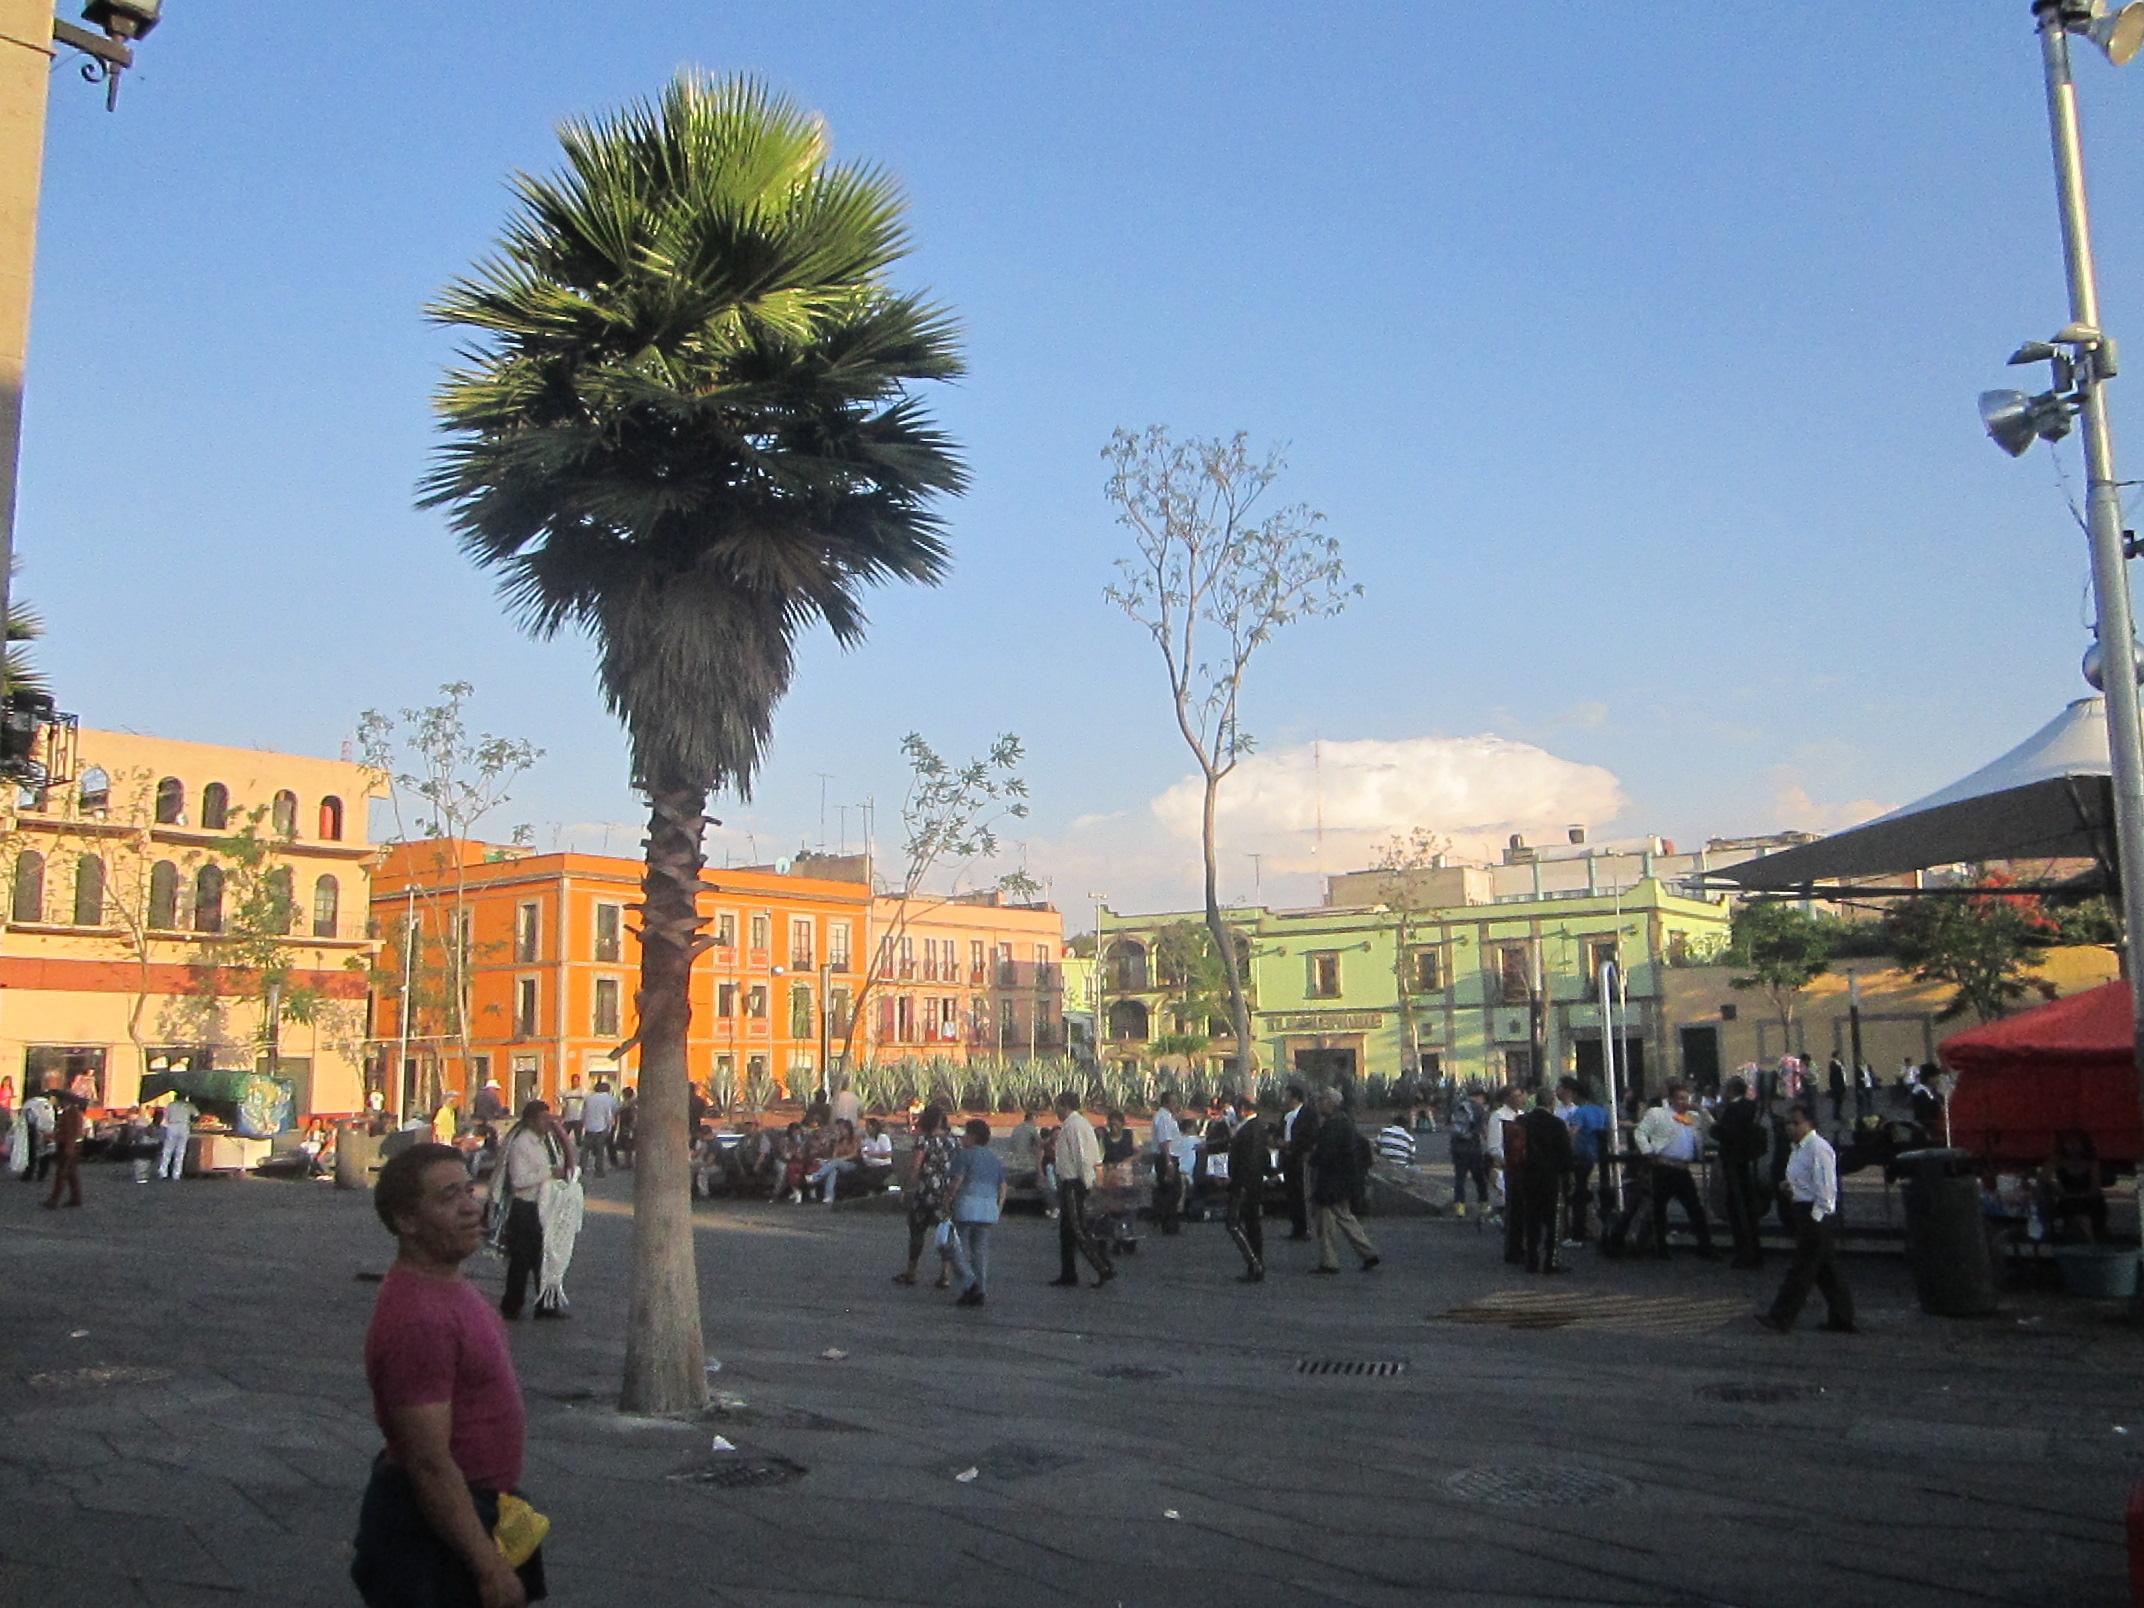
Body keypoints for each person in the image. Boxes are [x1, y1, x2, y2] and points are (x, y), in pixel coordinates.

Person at [351, 1142, 547, 1608]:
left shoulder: (448, 1285)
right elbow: (428, 1462)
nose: (469, 1208)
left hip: (477, 1507)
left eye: (468, 1190)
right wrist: (488, 1566)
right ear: (407, 1221)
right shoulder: (418, 1317)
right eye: (446, 1198)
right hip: (434, 1531)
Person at [1758, 1105, 1856, 1336]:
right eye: (1788, 1124)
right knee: (1826, 1270)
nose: (1790, 1128)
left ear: (1809, 1123)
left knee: (1802, 1268)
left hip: (1814, 1214)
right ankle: (1843, 1317)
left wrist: (1816, 1216)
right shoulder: (1798, 1149)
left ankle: (1781, 1315)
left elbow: (1827, 1188)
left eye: (1796, 1123)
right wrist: (1790, 1187)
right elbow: (1804, 1179)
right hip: (1802, 1209)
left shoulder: (1818, 1148)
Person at [489, 1101, 572, 1321]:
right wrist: (549, 1173)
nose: (548, 1123)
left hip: (540, 1206)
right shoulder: (521, 1144)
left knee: (541, 1257)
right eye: (544, 1119)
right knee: (521, 1259)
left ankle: (545, 1304)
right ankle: (512, 1304)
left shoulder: (541, 1142)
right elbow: (518, 1180)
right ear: (531, 1120)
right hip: (524, 1207)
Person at [1633, 1083, 1715, 1259]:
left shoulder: (1693, 1117)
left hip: (1683, 1169)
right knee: (1659, 1209)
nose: (1683, 1102)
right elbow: (1640, 1132)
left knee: (1695, 1209)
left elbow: (1712, 1128)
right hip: (1663, 1167)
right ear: (1670, 1100)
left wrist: (1702, 1110)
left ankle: (1705, 1246)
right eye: (1679, 1098)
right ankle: (1660, 1248)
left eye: (1686, 1098)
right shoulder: (1658, 1114)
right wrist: (1648, 1152)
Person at [1307, 1088, 1380, 1274]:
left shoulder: (1334, 1125)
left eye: (1321, 1100)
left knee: (1327, 1222)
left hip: (1331, 1180)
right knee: (1344, 1217)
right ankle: (1366, 1252)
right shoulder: (1344, 1122)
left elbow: (1325, 1153)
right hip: (1342, 1180)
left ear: (1330, 1103)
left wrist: (1313, 1158)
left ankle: (1330, 1261)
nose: (1318, 1104)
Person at [1048, 1090, 1114, 1288]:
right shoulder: (1074, 1124)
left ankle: (1103, 1267)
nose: (1056, 1110)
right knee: (1066, 1231)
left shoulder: (1074, 1125)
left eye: (1058, 1105)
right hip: (1071, 1181)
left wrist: (1087, 1183)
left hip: (1074, 1183)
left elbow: (1082, 1156)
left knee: (1078, 1229)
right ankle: (1068, 1273)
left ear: (1065, 1105)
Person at [894, 1106, 960, 1290]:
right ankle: (945, 1273)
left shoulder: (924, 1140)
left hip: (925, 1192)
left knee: (917, 1231)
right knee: (946, 1232)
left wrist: (907, 1188)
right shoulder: (953, 1141)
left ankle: (911, 1271)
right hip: (946, 1193)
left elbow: (916, 1166)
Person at [945, 1118, 1007, 1307]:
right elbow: (1003, 1186)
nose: (963, 1138)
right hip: (988, 1209)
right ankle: (981, 1288)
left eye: (965, 1134)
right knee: (979, 1251)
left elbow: (957, 1181)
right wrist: (998, 1206)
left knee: (955, 1247)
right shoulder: (994, 1159)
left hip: (967, 1205)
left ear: (972, 1136)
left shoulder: (965, 1156)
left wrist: (947, 1199)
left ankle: (969, 1283)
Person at [1711, 1075, 1770, 1270]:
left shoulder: (1736, 1110)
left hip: (1735, 1162)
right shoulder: (1750, 1107)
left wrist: (1713, 1128)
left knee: (1738, 1209)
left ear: (1731, 1091)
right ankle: (1753, 1252)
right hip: (1745, 1162)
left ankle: (1746, 1253)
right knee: (1744, 1207)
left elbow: (1727, 1134)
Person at [1514, 1090, 1572, 1273]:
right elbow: (1565, 1153)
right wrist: (1566, 1173)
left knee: (1531, 1217)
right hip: (1550, 1176)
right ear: (1551, 1103)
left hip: (1527, 1174)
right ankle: (1550, 1260)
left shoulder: (1523, 1122)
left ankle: (1531, 1259)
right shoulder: (1557, 1124)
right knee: (1552, 1220)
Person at [1218, 1089, 1272, 1282]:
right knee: (1251, 1223)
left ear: (1242, 1109)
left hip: (1244, 1182)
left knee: (1234, 1222)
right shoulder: (1256, 1128)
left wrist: (1239, 1181)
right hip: (1251, 1181)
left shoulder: (1250, 1129)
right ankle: (1255, 1262)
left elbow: (1250, 1158)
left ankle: (1254, 1261)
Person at [1557, 1078, 1609, 1245]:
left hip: (1581, 1157)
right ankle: (1595, 1228)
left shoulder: (1579, 1113)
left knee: (1577, 1195)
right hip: (1598, 1156)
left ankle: (1578, 1231)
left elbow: (1572, 1134)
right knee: (1590, 1193)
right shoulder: (1600, 1111)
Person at [2041, 1129, 2110, 1242]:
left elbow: (2095, 1187)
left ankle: (2095, 1238)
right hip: (2066, 1199)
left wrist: (2083, 1195)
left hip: (2089, 1199)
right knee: (2061, 1207)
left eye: (2076, 1142)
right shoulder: (2058, 1162)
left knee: (2095, 1206)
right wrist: (2058, 1189)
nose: (2072, 1146)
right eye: (2068, 1142)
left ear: (2083, 1144)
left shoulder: (2092, 1163)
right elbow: (2045, 1178)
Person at [1484, 1085, 1527, 1263]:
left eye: (1521, 1095)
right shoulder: (1498, 1117)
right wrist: (1508, 1160)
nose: (1520, 1098)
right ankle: (1513, 1248)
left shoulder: (1524, 1116)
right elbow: (1494, 1146)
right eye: (1516, 1095)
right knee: (1512, 1208)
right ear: (1507, 1098)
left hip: (1523, 1167)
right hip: (1508, 1167)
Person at [1448, 1089, 1490, 1219]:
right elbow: (1483, 1128)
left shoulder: (1456, 1105)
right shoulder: (1478, 1108)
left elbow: (1450, 1125)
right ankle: (1484, 1204)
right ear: (1480, 1097)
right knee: (1479, 1178)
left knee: (1459, 1178)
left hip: (1457, 1148)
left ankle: (1459, 1207)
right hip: (1473, 1149)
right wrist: (1489, 1142)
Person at [1148, 1091, 1186, 1235]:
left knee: (1169, 1190)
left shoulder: (1167, 1117)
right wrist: (1168, 1162)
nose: (1176, 1105)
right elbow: (1165, 1140)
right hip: (1166, 1158)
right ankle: (1168, 1223)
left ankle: (1166, 1220)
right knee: (1173, 1191)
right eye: (1173, 1102)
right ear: (1166, 1102)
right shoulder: (1163, 1117)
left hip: (1169, 1157)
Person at [42, 1090, 86, 1209]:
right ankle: (76, 1198)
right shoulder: (67, 1112)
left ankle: (54, 1200)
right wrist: (53, 1136)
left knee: (62, 1173)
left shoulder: (73, 1113)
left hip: (69, 1146)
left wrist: (68, 1148)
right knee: (71, 1173)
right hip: (67, 1144)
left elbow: (73, 1133)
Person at [808, 1119, 862, 1206]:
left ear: (848, 1129)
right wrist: (831, 1160)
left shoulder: (855, 1139)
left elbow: (854, 1154)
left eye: (843, 1129)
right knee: (833, 1170)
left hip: (851, 1164)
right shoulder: (839, 1141)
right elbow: (834, 1155)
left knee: (836, 1163)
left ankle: (815, 1177)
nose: (841, 1131)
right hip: (837, 1163)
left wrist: (841, 1159)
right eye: (840, 1129)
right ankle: (829, 1196)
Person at [578, 1080, 618, 1179]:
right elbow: (613, 1112)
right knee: (600, 1151)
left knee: (585, 1150)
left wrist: (583, 1124)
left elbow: (583, 1112)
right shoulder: (610, 1099)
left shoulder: (589, 1098)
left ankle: (582, 1168)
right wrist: (611, 1126)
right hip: (601, 1127)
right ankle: (599, 1171)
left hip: (589, 1127)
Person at [17, 1084, 54, 1182]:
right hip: (47, 1130)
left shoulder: (31, 1103)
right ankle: (42, 1174)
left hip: (34, 1130)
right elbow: (50, 1118)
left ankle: (29, 1174)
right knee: (45, 1153)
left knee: (31, 1153)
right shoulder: (48, 1105)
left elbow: (26, 1117)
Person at [1826, 1055, 1848, 1126]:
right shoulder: (1834, 1064)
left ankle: (1837, 1114)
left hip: (1840, 1085)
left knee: (1839, 1101)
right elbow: (1833, 1077)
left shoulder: (1839, 1064)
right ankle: (1836, 1115)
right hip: (1837, 1086)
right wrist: (1834, 1086)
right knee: (1837, 1101)